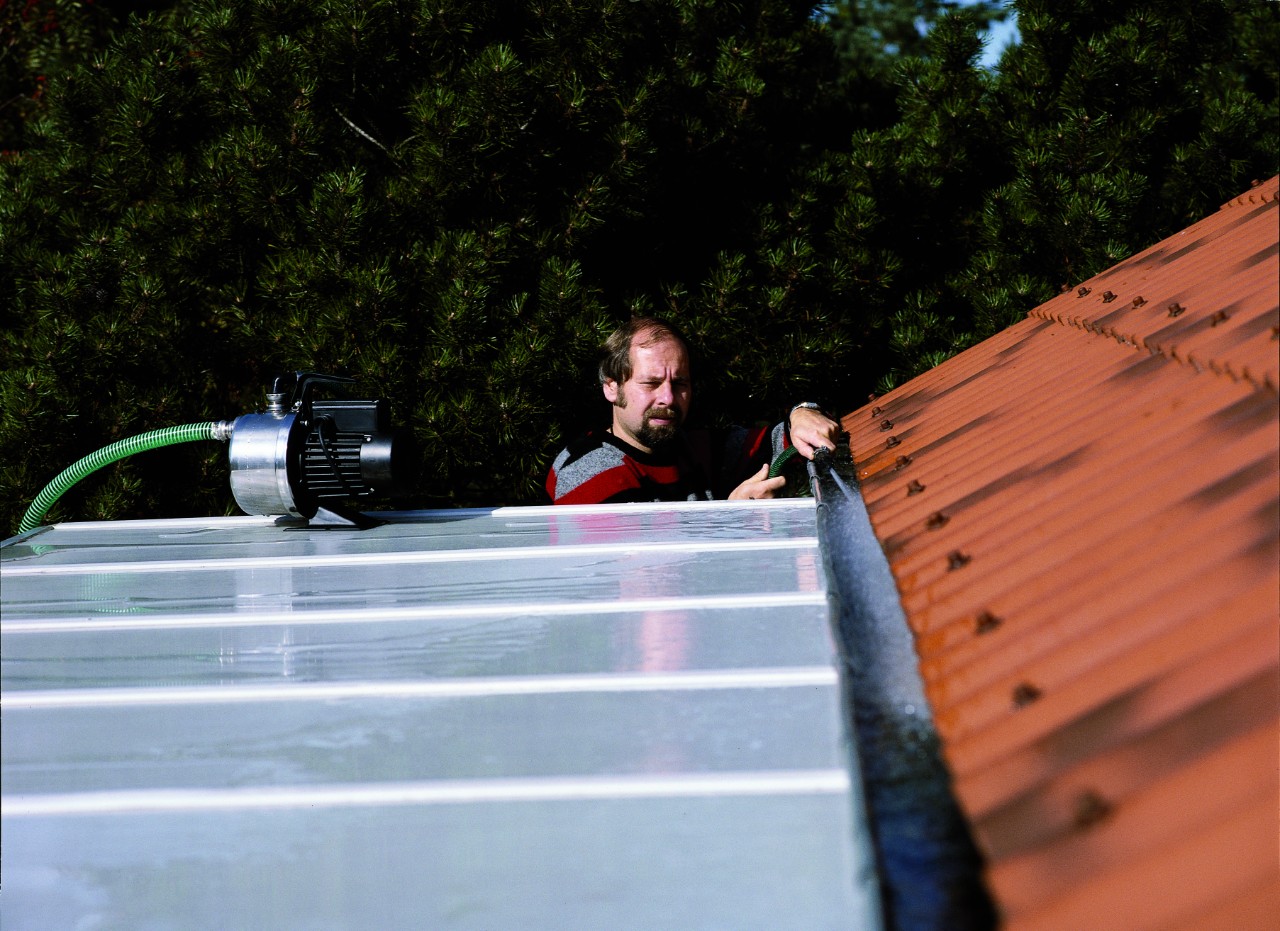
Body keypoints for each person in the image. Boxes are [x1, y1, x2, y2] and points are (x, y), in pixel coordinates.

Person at [546, 317, 842, 504]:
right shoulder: (587, 471)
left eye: (680, 383)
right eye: (651, 383)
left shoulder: (695, 446)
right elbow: (637, 578)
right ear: (611, 387)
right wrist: (732, 520)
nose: (668, 398)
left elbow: (782, 439)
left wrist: (802, 413)